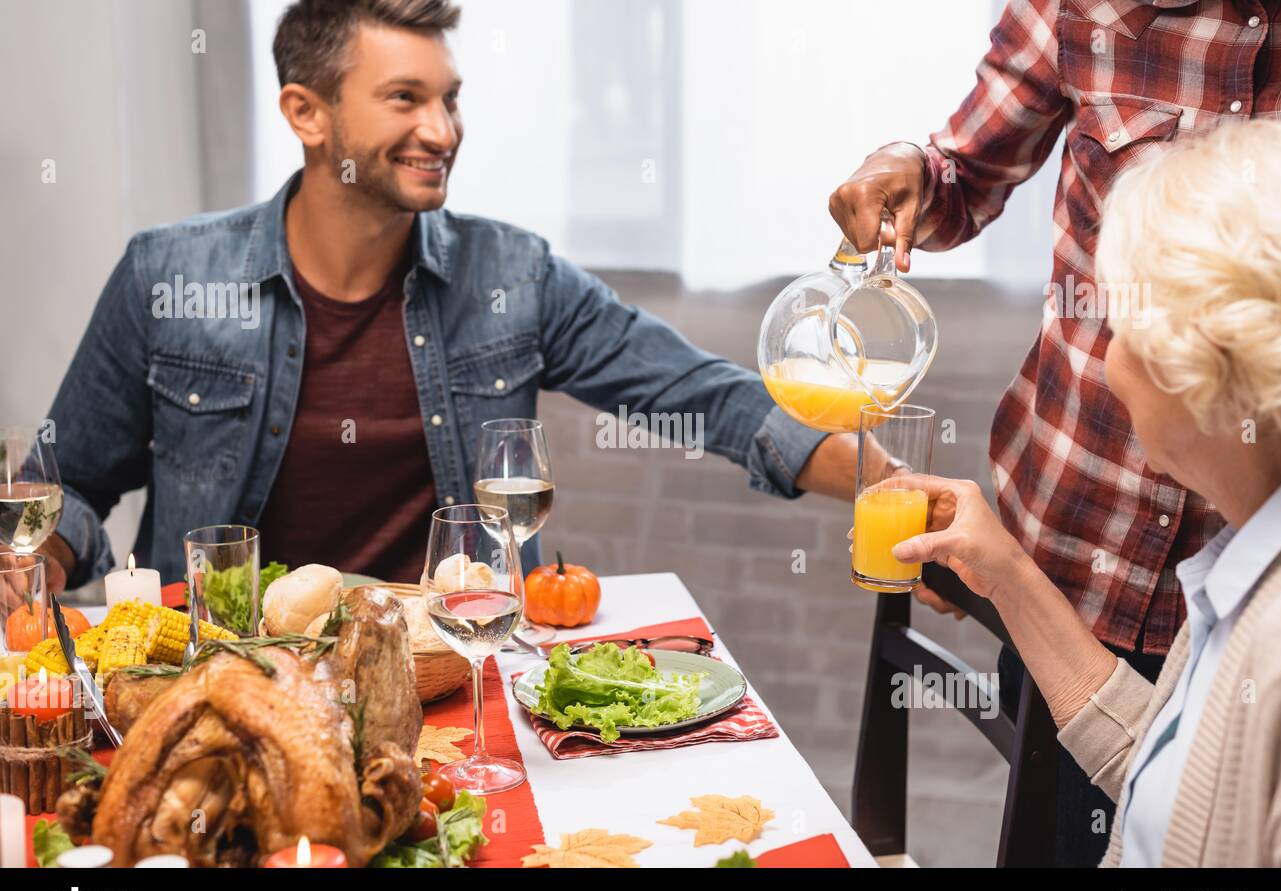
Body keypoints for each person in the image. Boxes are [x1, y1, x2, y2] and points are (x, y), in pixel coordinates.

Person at [24, 0, 864, 592]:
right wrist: (41, 558)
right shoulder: (167, 278)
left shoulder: (511, 274)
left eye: (450, 98)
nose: (444, 130)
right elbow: (63, 491)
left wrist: (883, 479)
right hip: (227, 680)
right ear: (306, 114)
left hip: (453, 671)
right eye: (406, 98)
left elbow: (706, 397)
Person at [828, 0, 1281, 864]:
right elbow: (1156, 775)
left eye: (1127, 321)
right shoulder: (1226, 592)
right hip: (1078, 560)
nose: (1099, 351)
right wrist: (1007, 576)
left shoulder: (1280, 643)